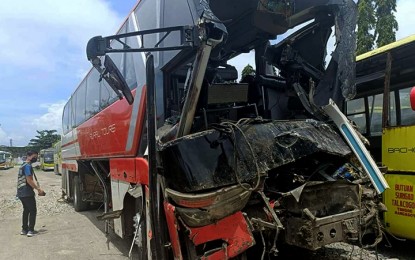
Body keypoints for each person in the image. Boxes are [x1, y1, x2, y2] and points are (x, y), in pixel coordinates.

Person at [16, 151, 44, 237]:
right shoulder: (27, 166)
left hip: (20, 192)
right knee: (32, 210)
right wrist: (38, 189)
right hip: (27, 192)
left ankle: (24, 229)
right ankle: (30, 230)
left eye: (36, 157)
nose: (35, 158)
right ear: (28, 156)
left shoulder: (22, 165)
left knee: (26, 210)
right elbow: (29, 180)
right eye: (34, 156)